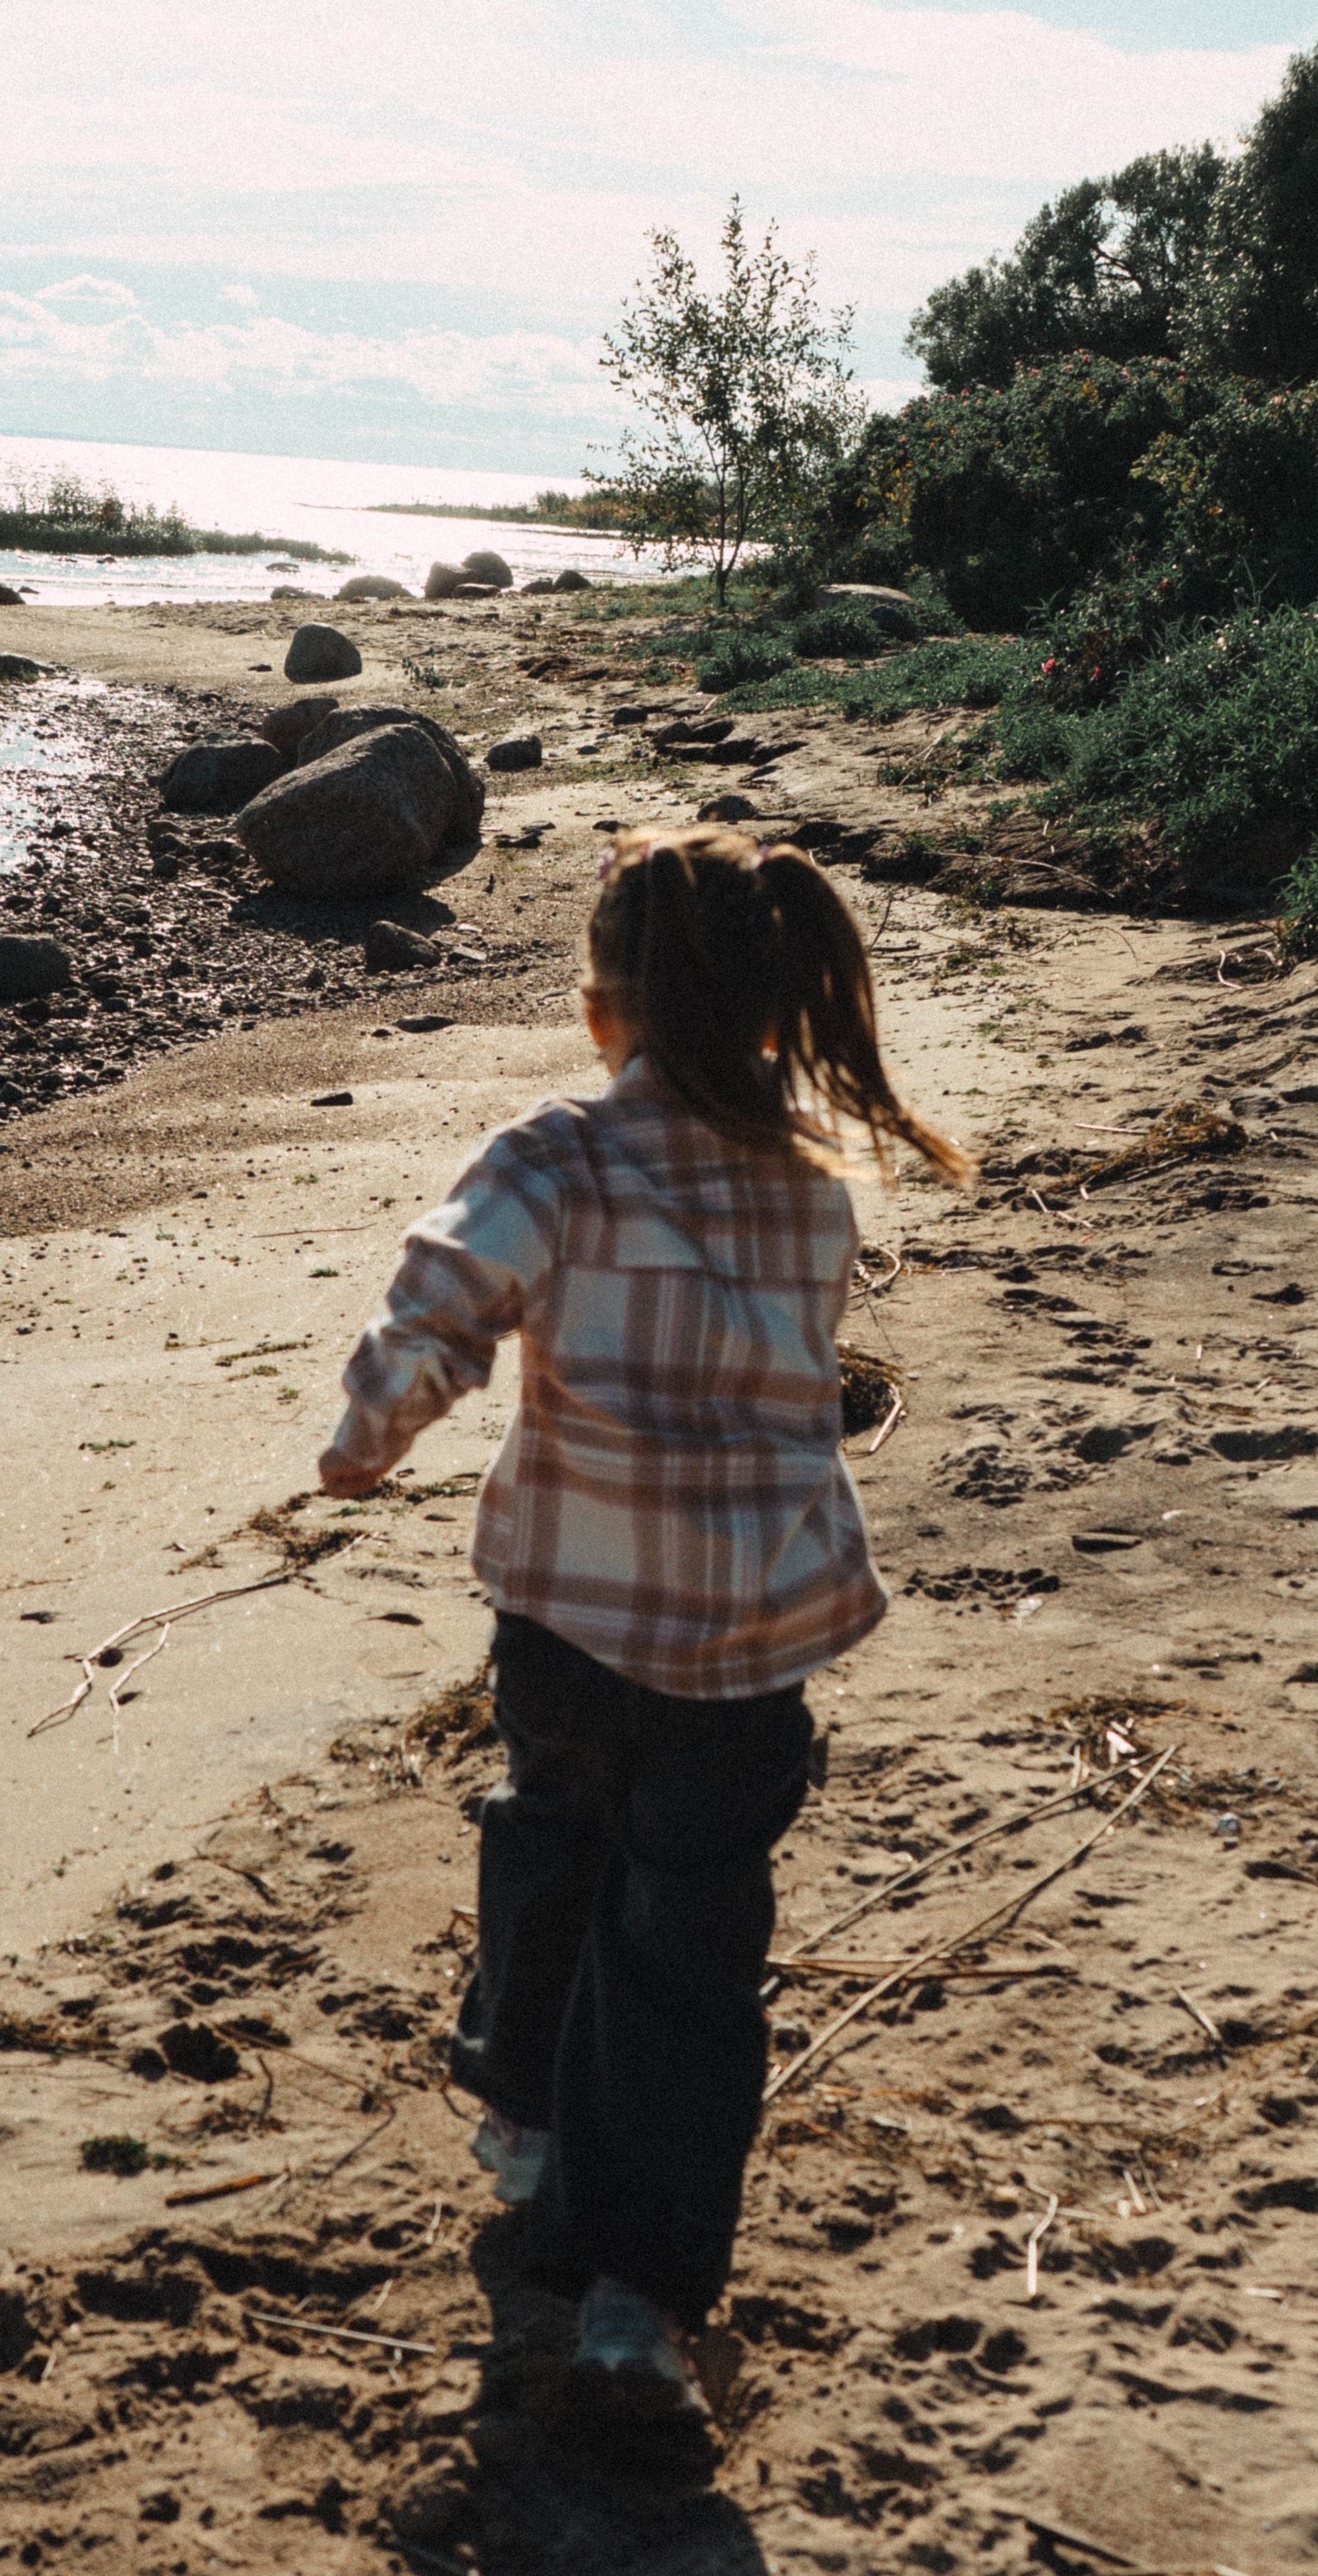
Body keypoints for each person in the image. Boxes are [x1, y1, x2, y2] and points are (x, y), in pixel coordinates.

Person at [319, 826, 971, 2432]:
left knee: (553, 1829)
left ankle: (534, 2110)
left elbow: (440, 1300)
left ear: (604, 1008)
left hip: (570, 1605)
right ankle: (632, 2308)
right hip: (753, 1640)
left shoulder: (555, 1155)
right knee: (686, 1947)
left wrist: (364, 1440)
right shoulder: (811, 1189)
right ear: (771, 1014)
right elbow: (792, 1386)